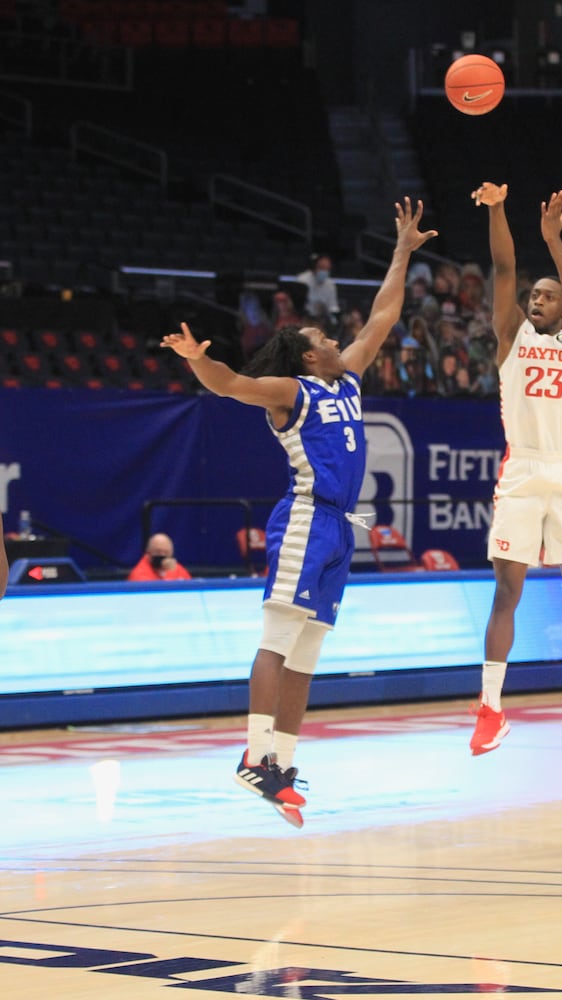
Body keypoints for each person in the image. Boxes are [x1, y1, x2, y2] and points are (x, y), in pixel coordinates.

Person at [161, 198, 436, 827]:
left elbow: (384, 315)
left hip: (340, 526)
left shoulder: (348, 379)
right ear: (308, 356)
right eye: (324, 339)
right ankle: (254, 756)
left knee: (308, 654)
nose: (337, 338)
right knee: (279, 640)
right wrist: (197, 358)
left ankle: (279, 766)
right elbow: (230, 384)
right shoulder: (293, 391)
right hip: (307, 519)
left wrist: (401, 251)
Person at [468, 182, 562, 758]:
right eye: (534, 295)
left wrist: (554, 242)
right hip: (523, 474)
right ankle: (489, 709)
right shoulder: (511, 337)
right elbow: (503, 267)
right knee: (507, 590)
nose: (537, 299)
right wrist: (500, 210)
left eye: (548, 296)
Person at [296, 254, 341, 326]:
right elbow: (298, 305)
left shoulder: (331, 284)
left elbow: (333, 307)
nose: (324, 272)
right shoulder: (302, 280)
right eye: (322, 268)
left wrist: (328, 312)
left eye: (327, 269)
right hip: (304, 319)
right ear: (313, 267)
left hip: (323, 320)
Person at [128, 532, 193, 582]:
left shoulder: (177, 569)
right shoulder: (139, 574)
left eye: (166, 552)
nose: (162, 555)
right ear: (148, 552)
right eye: (158, 552)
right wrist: (170, 574)